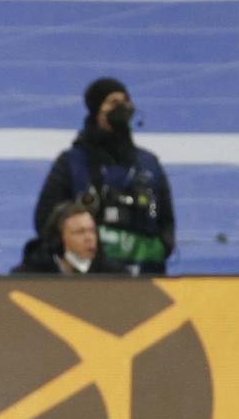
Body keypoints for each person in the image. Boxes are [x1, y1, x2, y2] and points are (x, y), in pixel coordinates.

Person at [33, 77, 174, 275]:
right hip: (86, 279)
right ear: (97, 110)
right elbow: (45, 220)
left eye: (126, 102)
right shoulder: (71, 162)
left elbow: (166, 225)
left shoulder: (149, 164)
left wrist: (151, 249)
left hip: (145, 276)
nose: (123, 108)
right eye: (113, 102)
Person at [12, 201, 126, 275]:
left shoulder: (115, 276)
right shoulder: (27, 277)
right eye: (80, 232)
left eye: (92, 231)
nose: (89, 238)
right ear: (58, 239)